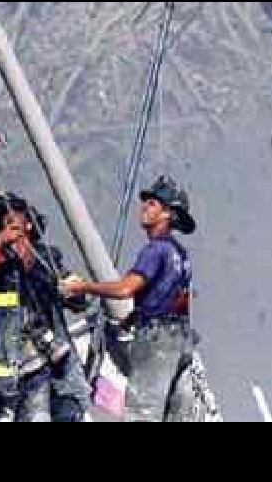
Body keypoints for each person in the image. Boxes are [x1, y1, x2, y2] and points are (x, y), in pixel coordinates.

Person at [60, 175, 198, 421]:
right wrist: (133, 317)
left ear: (167, 214)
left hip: (155, 343)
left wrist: (84, 286)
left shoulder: (156, 250)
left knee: (143, 412)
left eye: (152, 204)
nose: (144, 207)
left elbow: (125, 289)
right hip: (181, 342)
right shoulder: (181, 254)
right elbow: (171, 299)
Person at [0, 193, 91, 422]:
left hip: (54, 365)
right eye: (5, 222)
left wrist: (69, 289)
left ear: (29, 224)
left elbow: (79, 301)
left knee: (66, 410)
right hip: (12, 367)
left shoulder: (47, 260)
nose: (11, 226)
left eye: (15, 219)